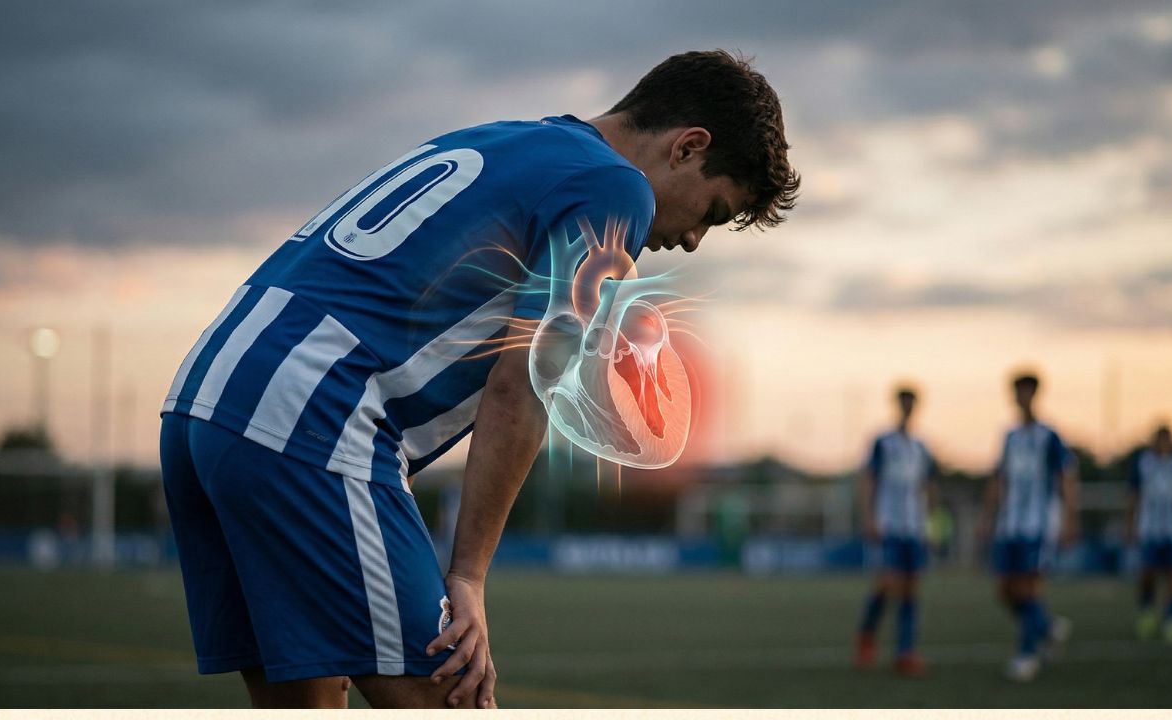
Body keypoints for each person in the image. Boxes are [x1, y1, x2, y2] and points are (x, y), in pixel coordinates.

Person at [157, 50, 799, 709]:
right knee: (452, 690)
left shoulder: (505, 138)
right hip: (309, 412)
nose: (696, 239)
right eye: (714, 213)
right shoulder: (617, 188)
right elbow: (524, 384)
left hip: (205, 398)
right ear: (690, 147)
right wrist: (467, 576)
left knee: (305, 701)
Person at [977, 372, 1079, 682]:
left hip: (1039, 523)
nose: (1022, 397)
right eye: (1018, 392)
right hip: (1010, 524)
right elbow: (999, 479)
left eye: (1027, 391)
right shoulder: (1009, 437)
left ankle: (1027, 654)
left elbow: (1066, 477)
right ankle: (1046, 627)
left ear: (1035, 394)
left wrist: (1069, 519)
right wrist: (986, 518)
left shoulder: (1049, 436)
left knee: (1028, 586)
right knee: (1005, 591)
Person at [855, 385, 939, 677]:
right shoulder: (883, 442)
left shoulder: (921, 446)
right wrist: (869, 517)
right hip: (889, 523)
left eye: (912, 403)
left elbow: (928, 486)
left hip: (913, 526)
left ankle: (905, 652)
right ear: (897, 405)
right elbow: (869, 480)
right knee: (887, 585)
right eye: (904, 402)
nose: (907, 408)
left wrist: (931, 523)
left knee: (911, 589)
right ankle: (867, 632)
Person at [1126, 424, 1172, 643]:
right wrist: (1129, 524)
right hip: (1150, 529)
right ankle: (1147, 611)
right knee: (1148, 574)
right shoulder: (1144, 463)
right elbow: (1133, 495)